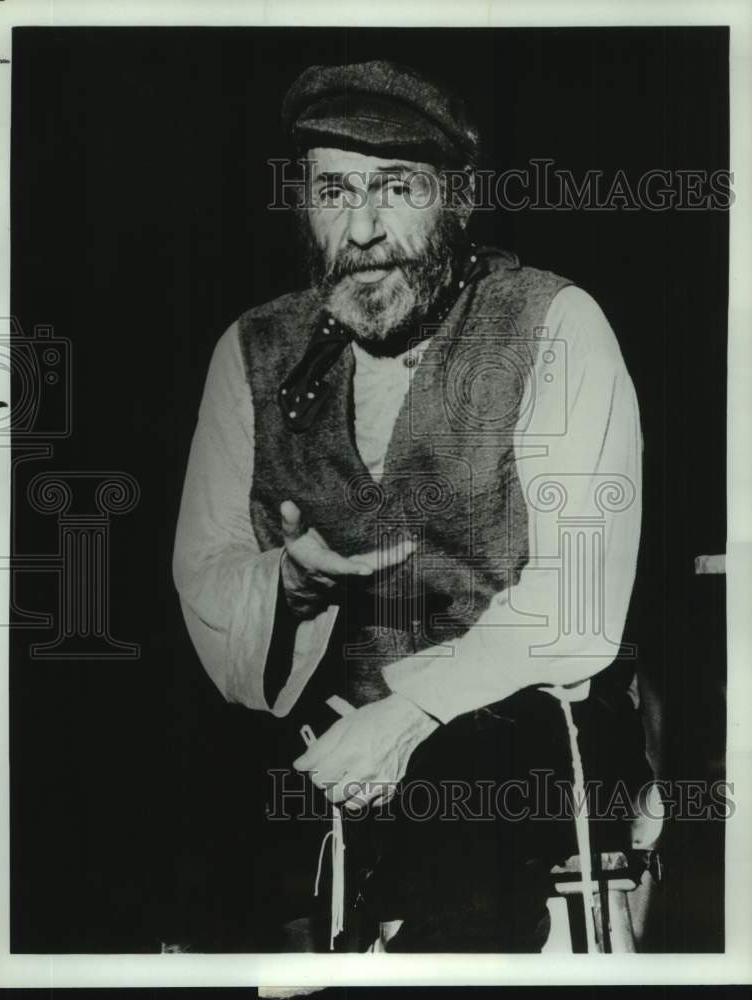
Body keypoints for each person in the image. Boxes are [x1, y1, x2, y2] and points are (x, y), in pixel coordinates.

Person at [173, 59, 652, 952]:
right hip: (327, 744)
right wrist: (292, 586)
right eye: (333, 192)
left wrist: (411, 715)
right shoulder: (251, 350)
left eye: (396, 188)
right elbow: (204, 570)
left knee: (469, 793)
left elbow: (579, 599)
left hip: (526, 734)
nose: (361, 229)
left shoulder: (553, 324)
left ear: (457, 201)